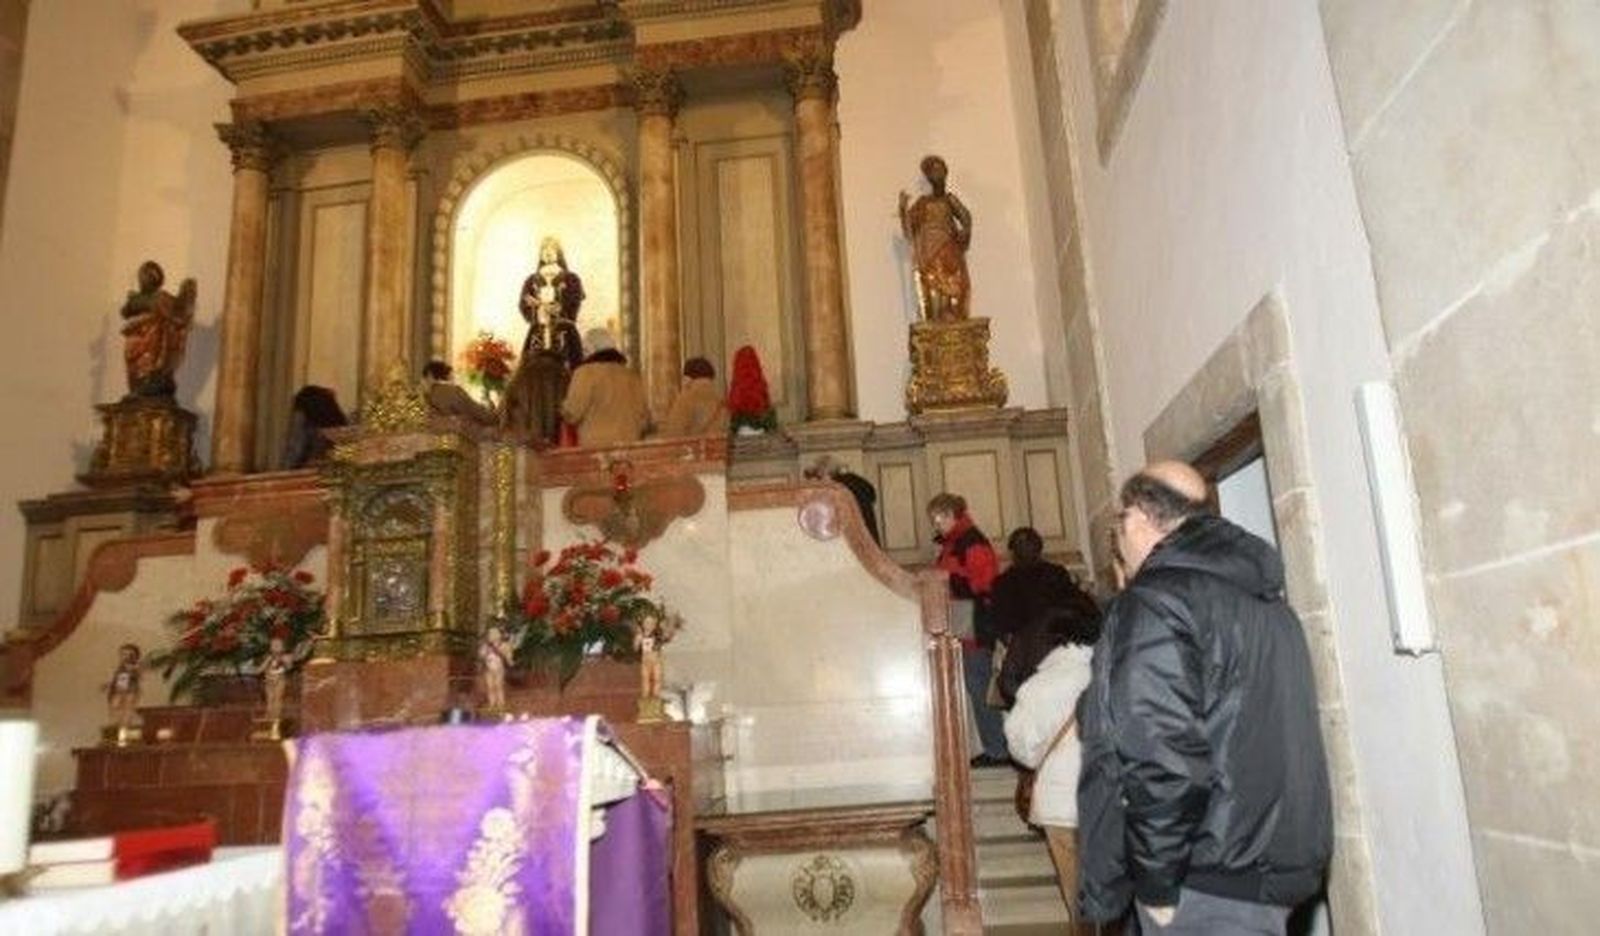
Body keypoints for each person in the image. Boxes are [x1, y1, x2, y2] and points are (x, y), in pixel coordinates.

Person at [1077, 462, 1332, 934]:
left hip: (1202, 877)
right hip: (1268, 868)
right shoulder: (1267, 605)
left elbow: (1160, 754)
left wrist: (1155, 884)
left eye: (1119, 524)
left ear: (1135, 519)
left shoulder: (1157, 602)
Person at [1003, 605, 1100, 931]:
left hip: (1059, 802)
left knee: (1074, 890)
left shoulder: (1039, 685)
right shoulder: (1114, 671)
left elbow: (1021, 746)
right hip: (1110, 797)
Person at [928, 492, 1005, 767]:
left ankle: (997, 749)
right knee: (974, 686)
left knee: (978, 684)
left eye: (937, 519)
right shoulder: (957, 543)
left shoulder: (971, 542)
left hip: (973, 619)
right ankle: (991, 745)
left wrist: (948, 578)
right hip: (963, 618)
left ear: (951, 514)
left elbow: (984, 585)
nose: (935, 525)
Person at [993, 526, 1100, 707]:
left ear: (1012, 552)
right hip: (1059, 654)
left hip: (1024, 660)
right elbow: (1080, 610)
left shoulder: (1003, 583)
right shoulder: (1056, 574)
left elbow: (1001, 627)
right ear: (1040, 549)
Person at [899, 155, 972, 321]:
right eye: (933, 171)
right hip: (929, 255)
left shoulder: (950, 199)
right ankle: (937, 323)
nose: (938, 174)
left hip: (950, 252)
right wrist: (903, 209)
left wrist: (964, 233)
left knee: (956, 289)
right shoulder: (923, 203)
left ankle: (953, 318)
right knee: (934, 291)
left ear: (946, 172)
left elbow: (966, 218)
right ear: (928, 176)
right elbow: (909, 229)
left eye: (940, 170)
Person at [560, 328, 650, 447]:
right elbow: (644, 419)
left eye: (585, 350)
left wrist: (561, 408)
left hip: (596, 450)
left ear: (591, 349)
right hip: (629, 448)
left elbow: (573, 413)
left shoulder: (586, 373)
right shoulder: (632, 376)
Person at [119, 260, 197, 399]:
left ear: (156, 280)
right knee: (134, 361)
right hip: (136, 337)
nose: (143, 280)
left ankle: (152, 380)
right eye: (142, 277)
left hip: (153, 336)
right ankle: (140, 385)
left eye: (147, 277)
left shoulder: (161, 297)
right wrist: (135, 302)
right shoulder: (136, 297)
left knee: (150, 360)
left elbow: (176, 316)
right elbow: (125, 312)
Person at [806, 455, 881, 547]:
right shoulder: (856, 486)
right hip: (867, 544)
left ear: (825, 473)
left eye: (817, 477)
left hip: (854, 546)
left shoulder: (839, 491)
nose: (817, 483)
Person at [280, 385, 348, 469]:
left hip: (306, 472)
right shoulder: (339, 423)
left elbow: (295, 449)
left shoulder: (304, 418)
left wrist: (283, 470)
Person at [658, 357, 729, 437]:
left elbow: (674, 431)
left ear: (687, 377)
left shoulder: (686, 398)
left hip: (691, 447)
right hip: (715, 448)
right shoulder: (720, 399)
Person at [422, 360, 496, 426]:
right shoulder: (453, 391)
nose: (423, 382)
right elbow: (476, 411)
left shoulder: (428, 396)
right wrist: (491, 414)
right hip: (465, 434)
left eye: (423, 378)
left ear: (429, 375)